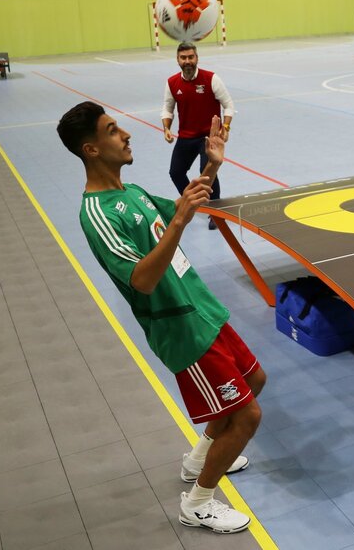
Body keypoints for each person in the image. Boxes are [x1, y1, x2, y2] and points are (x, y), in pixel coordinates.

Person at [57, 101, 264, 534]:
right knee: (247, 416)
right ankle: (198, 503)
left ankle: (198, 460)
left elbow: (180, 209)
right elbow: (142, 280)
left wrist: (211, 165)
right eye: (112, 130)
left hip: (202, 307)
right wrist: (179, 223)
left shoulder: (130, 192)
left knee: (255, 380)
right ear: (91, 149)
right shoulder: (97, 214)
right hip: (180, 326)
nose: (126, 134)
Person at [162, 41, 235, 229]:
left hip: (207, 137)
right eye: (183, 58)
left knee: (207, 171)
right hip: (185, 137)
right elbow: (167, 109)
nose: (187, 61)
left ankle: (216, 212)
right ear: (178, 60)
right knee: (176, 172)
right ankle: (191, 203)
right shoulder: (172, 83)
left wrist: (226, 127)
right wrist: (166, 128)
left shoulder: (211, 79)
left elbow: (228, 105)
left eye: (190, 57)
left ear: (197, 58)